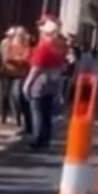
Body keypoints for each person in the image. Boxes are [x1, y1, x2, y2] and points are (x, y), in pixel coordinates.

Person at [23, 15, 69, 149]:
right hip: (53, 82)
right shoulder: (60, 49)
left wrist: (27, 84)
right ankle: (46, 138)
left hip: (40, 82)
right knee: (46, 112)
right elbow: (62, 67)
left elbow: (36, 68)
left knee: (37, 111)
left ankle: (37, 139)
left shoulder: (42, 48)